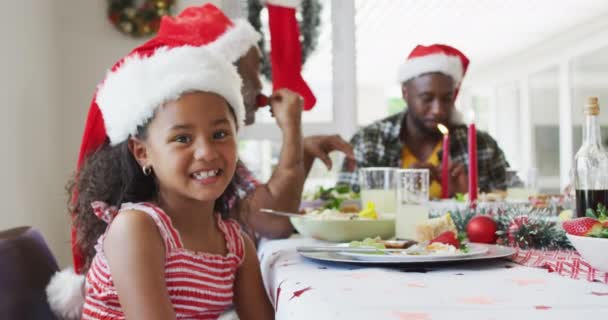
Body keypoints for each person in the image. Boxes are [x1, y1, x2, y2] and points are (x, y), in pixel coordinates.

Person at [48, 30, 274, 319]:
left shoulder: (236, 245)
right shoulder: (137, 229)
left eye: (219, 134)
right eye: (182, 138)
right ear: (142, 153)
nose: (206, 152)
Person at [154, 4, 355, 240]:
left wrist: (303, 152)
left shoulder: (217, 149)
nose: (260, 86)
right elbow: (273, 219)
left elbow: (264, 206)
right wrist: (292, 130)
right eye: (254, 72)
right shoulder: (205, 154)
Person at [338, 44, 513, 198]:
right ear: (405, 94)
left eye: (447, 98)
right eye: (427, 98)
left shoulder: (482, 146)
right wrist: (402, 190)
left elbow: (517, 208)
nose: (438, 110)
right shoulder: (368, 141)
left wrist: (471, 197)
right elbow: (345, 206)